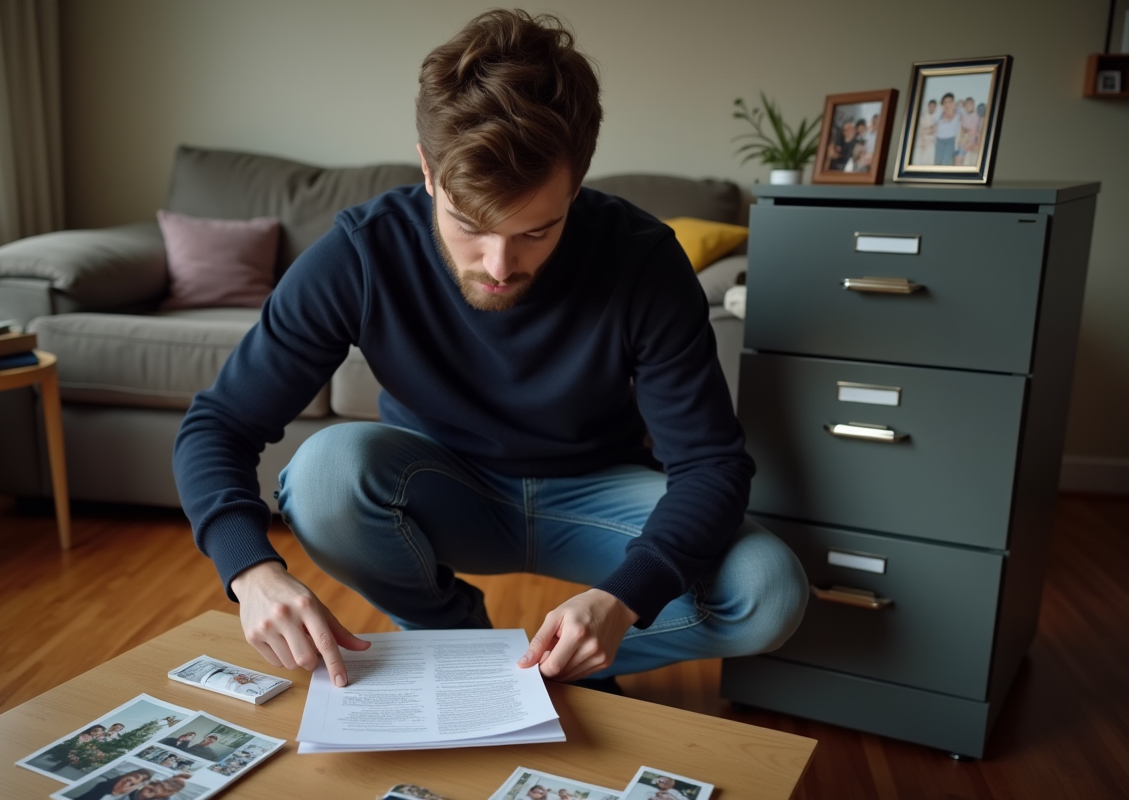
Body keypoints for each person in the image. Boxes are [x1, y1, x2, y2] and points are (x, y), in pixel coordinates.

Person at [173, 8, 806, 693]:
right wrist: (250, 570)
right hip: (442, 484)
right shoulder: (361, 253)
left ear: (579, 180)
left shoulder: (642, 259)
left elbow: (711, 464)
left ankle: (526, 672)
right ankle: (461, 644)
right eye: (469, 226)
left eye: (537, 230)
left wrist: (625, 599)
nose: (499, 264)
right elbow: (219, 425)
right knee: (323, 475)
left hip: (596, 493)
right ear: (427, 168)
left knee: (770, 591)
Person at [70, 768, 153, 800]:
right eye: (127, 780)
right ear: (122, 777)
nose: (126, 785)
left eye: (132, 785)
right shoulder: (100, 784)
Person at [933, 92, 962, 165]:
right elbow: (934, 126)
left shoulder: (958, 113)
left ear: (952, 103)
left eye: (949, 102)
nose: (947, 104)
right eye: (945, 102)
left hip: (950, 141)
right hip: (939, 141)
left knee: (947, 162)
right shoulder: (939, 114)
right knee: (937, 162)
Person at [957, 97, 981, 166]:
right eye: (966, 105)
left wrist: (965, 130)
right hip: (963, 140)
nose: (968, 106)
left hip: (971, 140)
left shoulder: (976, 116)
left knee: (962, 158)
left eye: (970, 104)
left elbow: (972, 130)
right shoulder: (963, 116)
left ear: (973, 106)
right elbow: (962, 128)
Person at [913, 99, 937, 165]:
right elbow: (921, 129)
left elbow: (935, 130)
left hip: (931, 142)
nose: (932, 108)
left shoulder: (937, 117)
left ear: (935, 107)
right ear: (928, 106)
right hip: (922, 140)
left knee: (929, 160)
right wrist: (930, 128)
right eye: (931, 106)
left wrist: (929, 129)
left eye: (933, 106)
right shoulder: (923, 116)